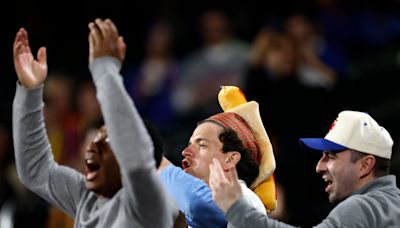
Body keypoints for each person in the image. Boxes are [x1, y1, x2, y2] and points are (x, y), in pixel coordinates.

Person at [12, 18, 175, 227]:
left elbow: (136, 162)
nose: (91, 148)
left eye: (105, 142)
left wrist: (105, 69)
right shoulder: (85, 197)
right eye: (94, 140)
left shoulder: (150, 203)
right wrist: (31, 92)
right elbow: (36, 170)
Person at [209, 110, 400, 227]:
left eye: (331, 156)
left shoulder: (363, 207)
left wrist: (235, 208)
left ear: (365, 165)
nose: (319, 166)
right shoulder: (391, 203)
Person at [159, 111, 269, 227]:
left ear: (230, 160)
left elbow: (198, 203)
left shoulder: (246, 199)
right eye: (189, 145)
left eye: (202, 145)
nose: (185, 152)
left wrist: (155, 162)